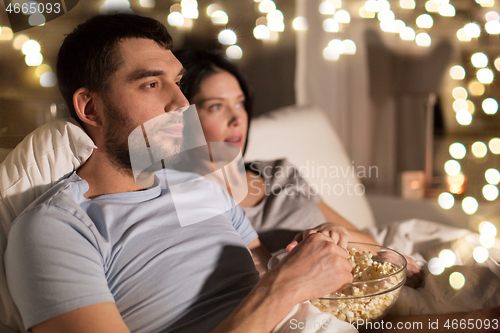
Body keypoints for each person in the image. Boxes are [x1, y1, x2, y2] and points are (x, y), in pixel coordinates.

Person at [4, 14, 354, 333]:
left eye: (178, 82)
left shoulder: (195, 184)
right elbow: (276, 289)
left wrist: (307, 256)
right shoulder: (58, 228)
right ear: (90, 107)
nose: (182, 104)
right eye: (151, 84)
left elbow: (263, 270)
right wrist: (287, 286)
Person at [174, 48, 423, 284]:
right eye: (216, 106)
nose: (237, 118)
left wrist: (334, 231)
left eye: (240, 103)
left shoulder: (278, 172)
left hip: (361, 295)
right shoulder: (184, 201)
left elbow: (367, 241)